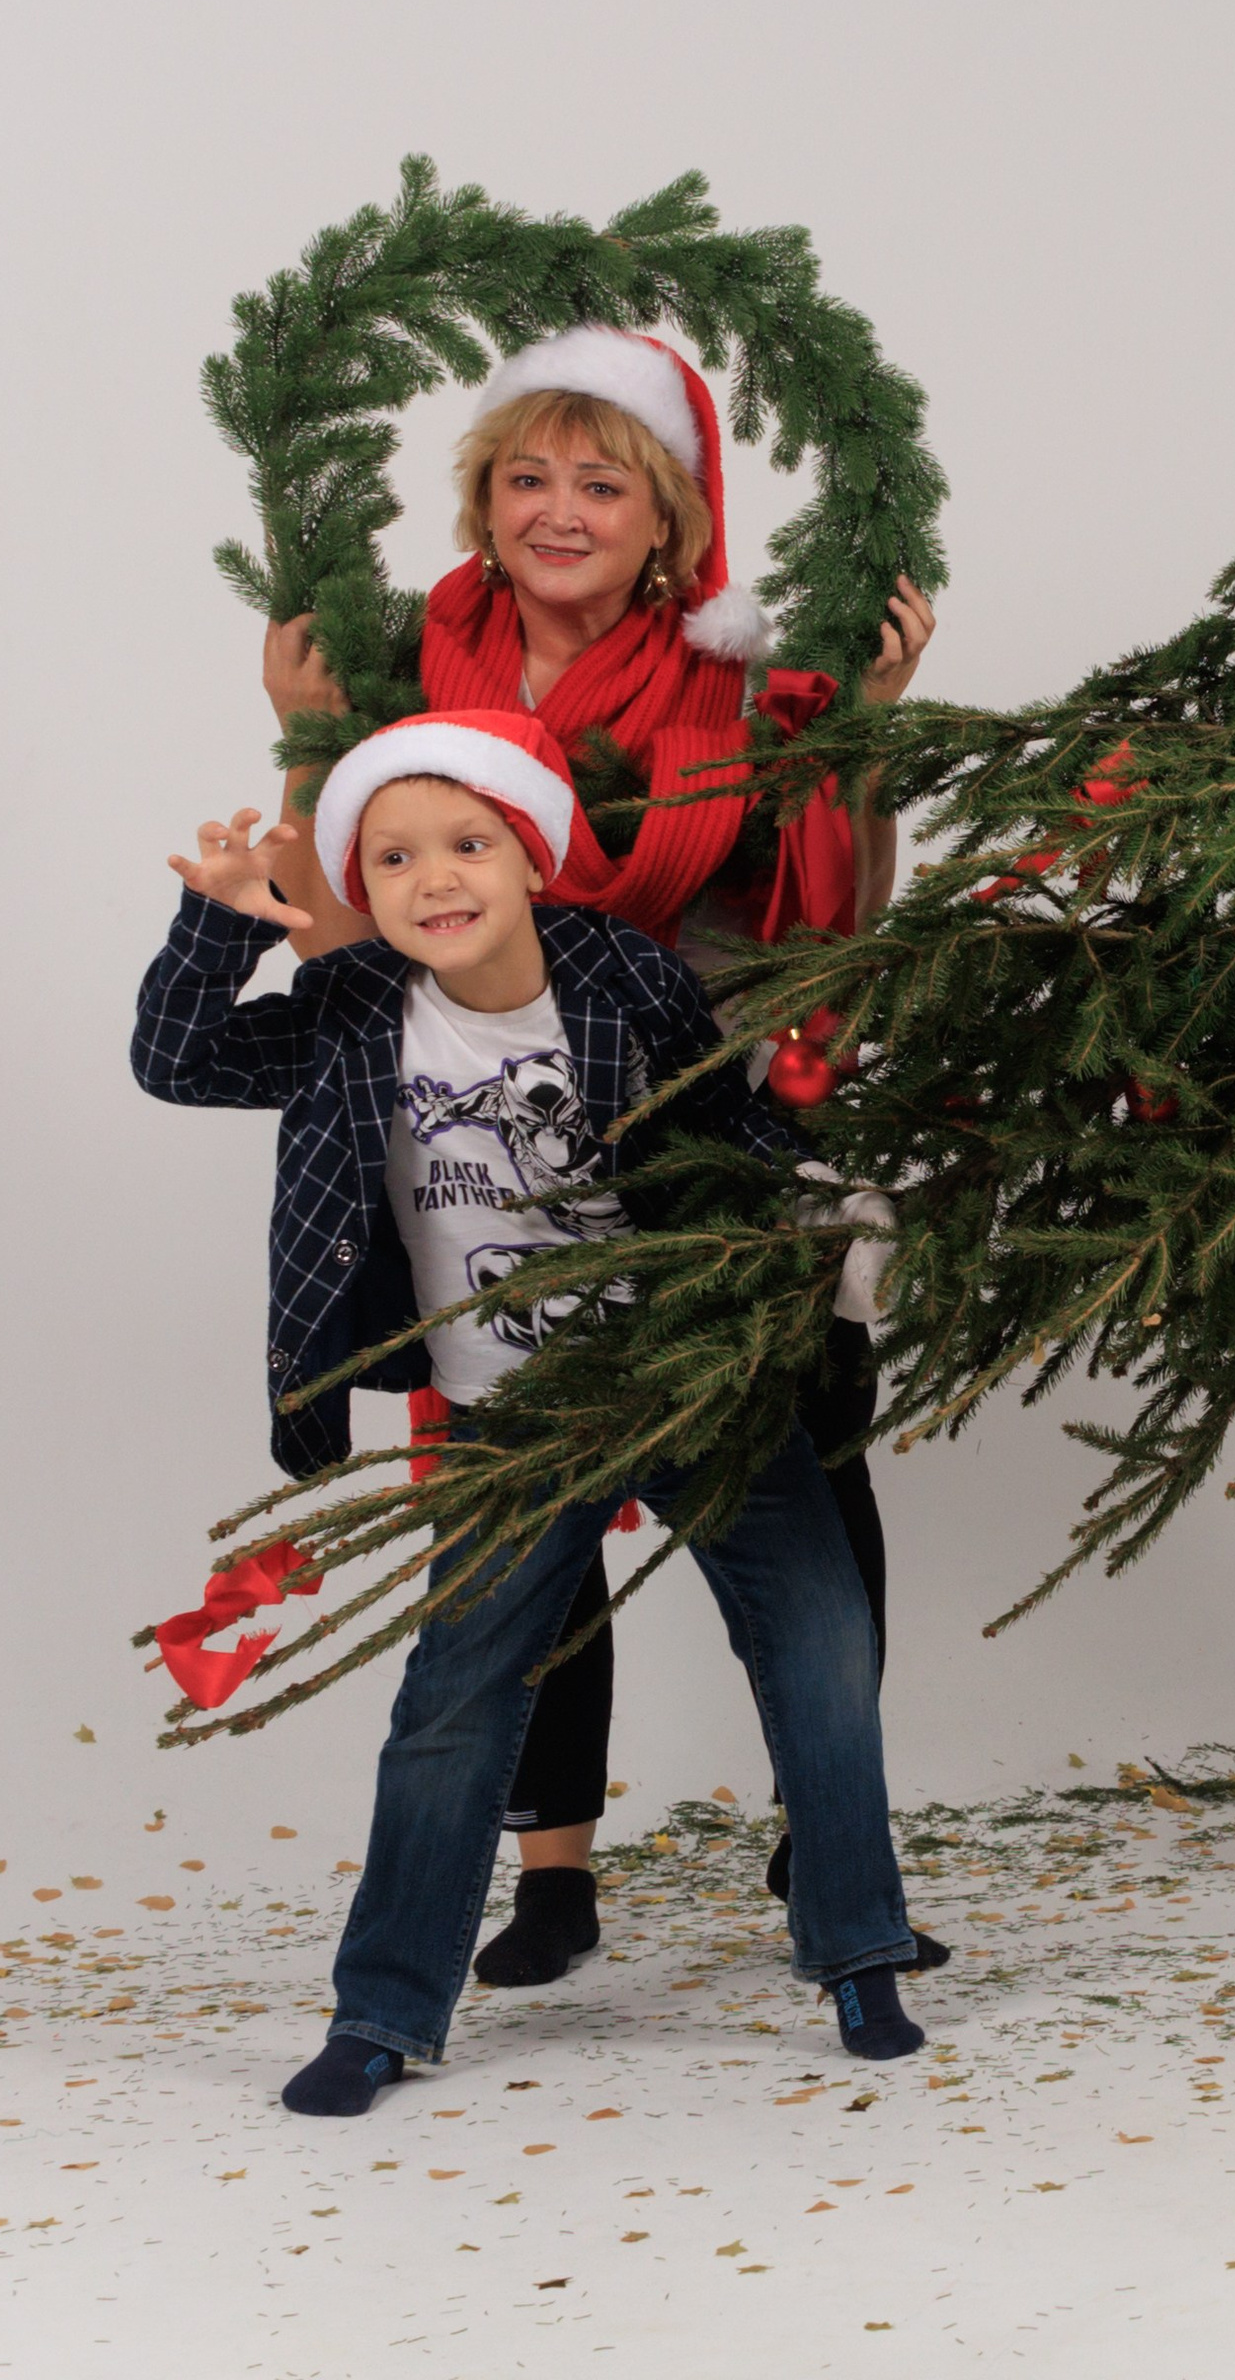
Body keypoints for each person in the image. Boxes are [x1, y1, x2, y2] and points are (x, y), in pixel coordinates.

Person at [254, 325, 942, 1985]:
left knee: (795, 1461)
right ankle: (549, 1875)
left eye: (602, 480)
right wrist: (298, 740)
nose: (560, 510)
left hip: (694, 1107)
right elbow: (347, 927)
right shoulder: (407, 657)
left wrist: (864, 721)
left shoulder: (737, 674)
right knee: (512, 1479)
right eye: (526, 476)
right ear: (483, 500)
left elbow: (833, 906)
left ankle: (823, 1833)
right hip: (482, 1123)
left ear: (668, 521)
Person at [133, 712, 927, 2115]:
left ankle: (859, 1947)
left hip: (688, 1379)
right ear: (361, 888)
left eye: (466, 844)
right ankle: (384, 2010)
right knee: (451, 1703)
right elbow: (181, 1063)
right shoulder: (351, 1005)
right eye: (392, 859)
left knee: (819, 1647)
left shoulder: (618, 970)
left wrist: (819, 1193)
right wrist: (218, 927)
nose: (433, 879)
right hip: (512, 1420)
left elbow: (714, 1117)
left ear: (528, 853)